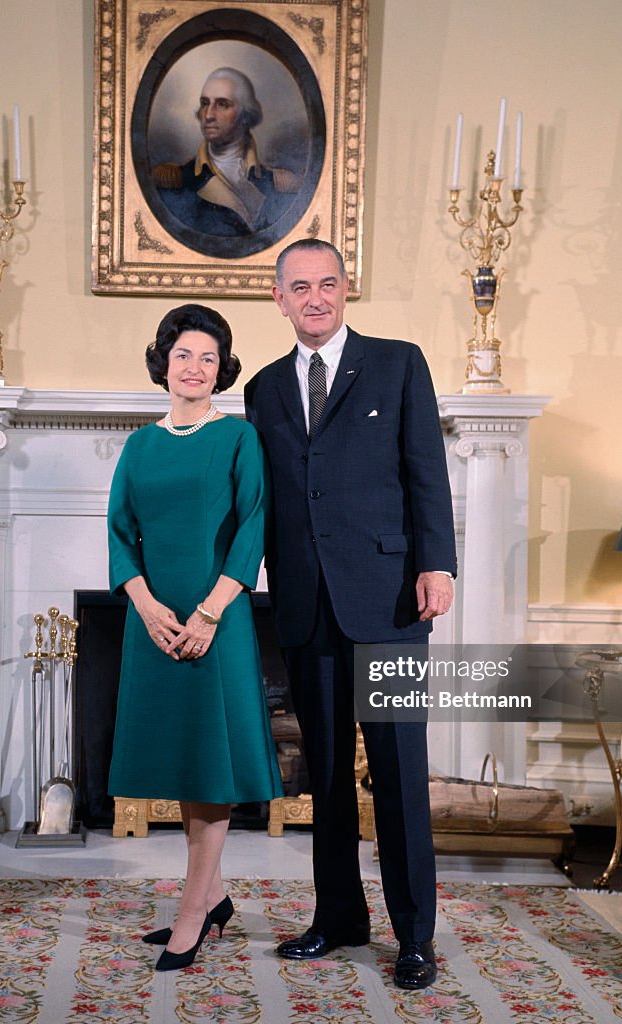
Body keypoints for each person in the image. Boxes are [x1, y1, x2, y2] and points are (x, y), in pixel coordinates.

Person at [243, 239, 457, 990]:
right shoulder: (264, 388)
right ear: (279, 297)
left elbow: (425, 470)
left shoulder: (398, 364)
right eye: (300, 287)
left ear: (345, 289)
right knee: (326, 776)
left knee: (398, 776)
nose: (316, 298)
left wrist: (437, 563)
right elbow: (268, 498)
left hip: (391, 601)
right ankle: (337, 918)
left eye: (327, 284)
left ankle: (414, 937)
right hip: (305, 604)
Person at [107, 303, 283, 973]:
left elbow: (253, 527)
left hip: (218, 619)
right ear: (164, 363)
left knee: (209, 764)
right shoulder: (139, 446)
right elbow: (120, 533)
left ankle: (191, 913)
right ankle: (212, 898)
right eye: (184, 354)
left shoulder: (237, 437)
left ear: (221, 370)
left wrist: (209, 613)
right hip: (152, 623)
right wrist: (146, 606)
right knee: (184, 761)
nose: (195, 367)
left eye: (208, 358)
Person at [153, 67, 302, 237]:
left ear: (245, 115)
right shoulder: (175, 182)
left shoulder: (279, 185)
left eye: (222, 104)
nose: (208, 115)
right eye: (205, 103)